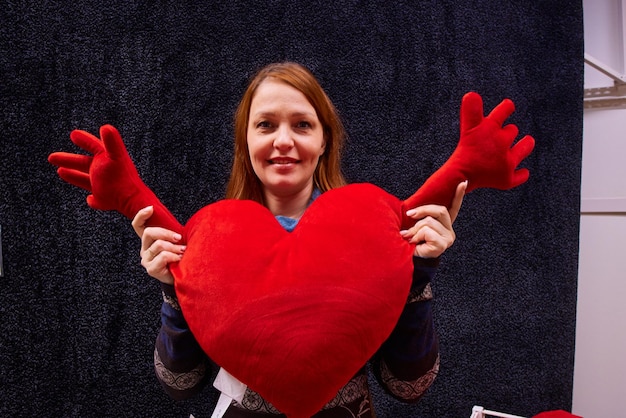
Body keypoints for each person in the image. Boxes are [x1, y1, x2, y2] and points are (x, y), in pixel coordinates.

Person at [131, 62, 466, 418]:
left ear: (325, 140)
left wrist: (419, 272)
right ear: (245, 140)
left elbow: (408, 385)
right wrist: (173, 289)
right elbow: (180, 383)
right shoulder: (211, 242)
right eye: (265, 125)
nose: (284, 140)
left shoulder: (373, 236)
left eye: (303, 125)